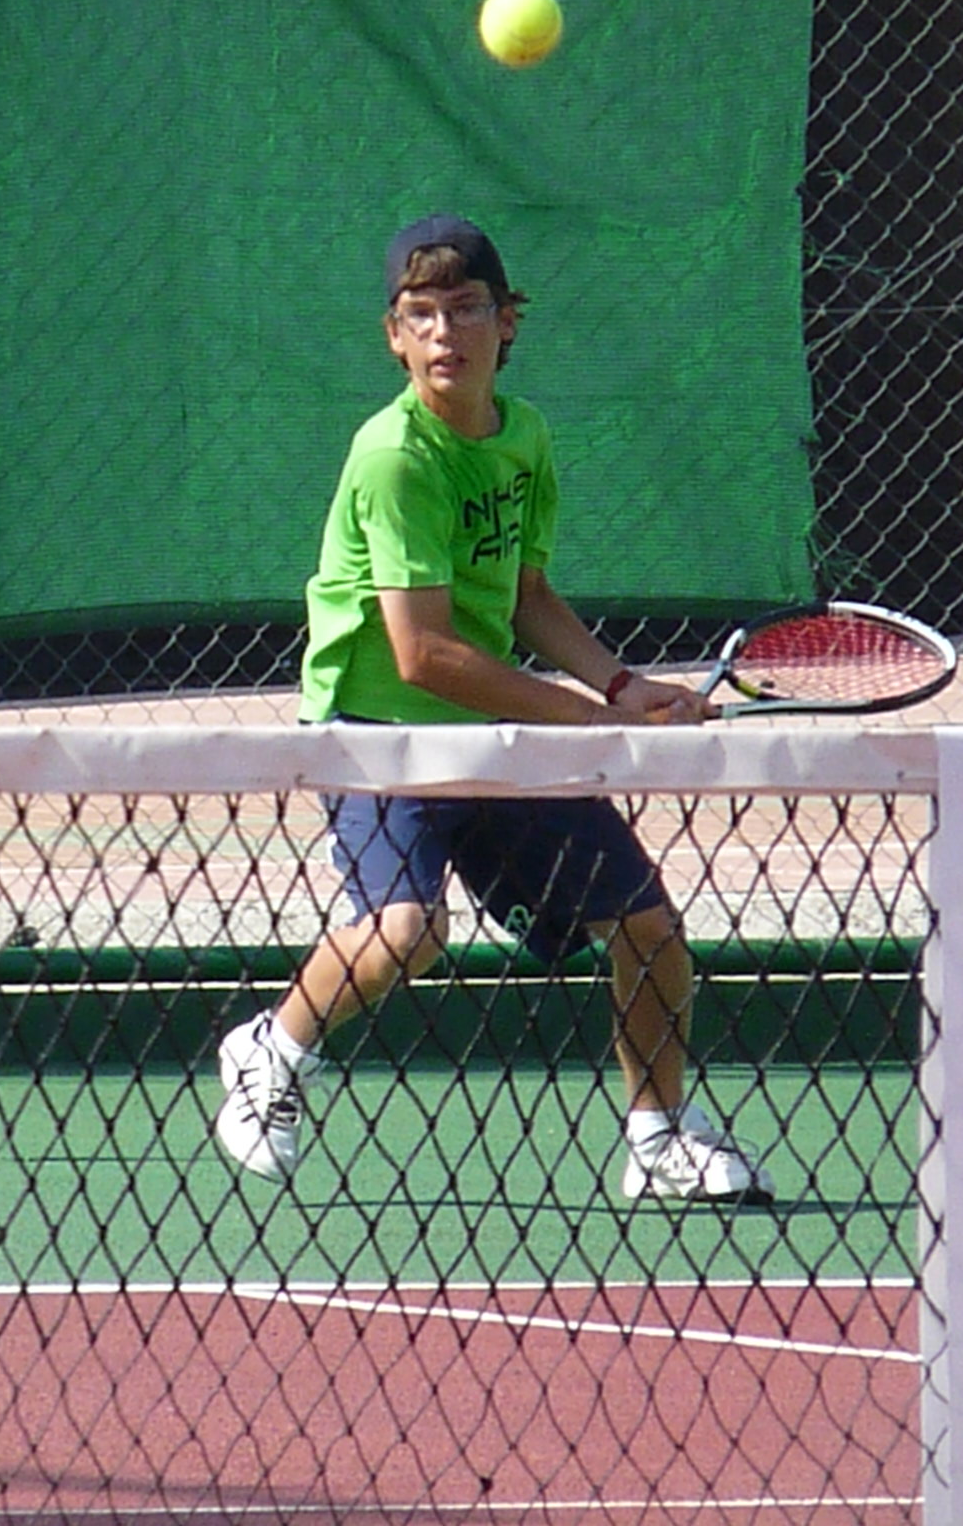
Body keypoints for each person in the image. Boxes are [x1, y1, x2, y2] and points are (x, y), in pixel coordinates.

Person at [214, 214, 773, 1204]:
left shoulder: (523, 438)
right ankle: (271, 1048)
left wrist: (621, 686)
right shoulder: (393, 455)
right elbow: (422, 653)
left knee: (647, 929)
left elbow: (525, 596)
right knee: (407, 931)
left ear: (506, 321)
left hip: (487, 734)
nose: (444, 333)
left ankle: (657, 1139)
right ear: (393, 336)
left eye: (465, 309)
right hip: (374, 733)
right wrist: (591, 724)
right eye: (420, 315)